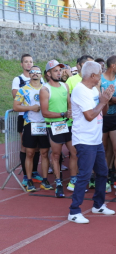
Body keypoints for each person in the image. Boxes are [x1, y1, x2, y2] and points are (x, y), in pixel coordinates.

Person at [68, 61, 116, 224]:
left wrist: (106, 99)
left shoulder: (94, 89)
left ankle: (99, 205)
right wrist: (102, 101)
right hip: (84, 139)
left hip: (95, 139)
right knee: (85, 174)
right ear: (93, 75)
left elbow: (103, 111)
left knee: (102, 172)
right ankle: (74, 211)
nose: (102, 75)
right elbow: (89, 116)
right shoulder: (80, 91)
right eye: (100, 72)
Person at [40, 60, 78, 198]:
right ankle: (59, 183)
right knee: (56, 155)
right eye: (56, 71)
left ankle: (73, 180)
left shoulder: (65, 86)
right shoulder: (44, 90)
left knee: (74, 151)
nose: (59, 73)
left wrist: (69, 112)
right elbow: (45, 113)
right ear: (48, 74)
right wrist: (62, 114)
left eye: (60, 70)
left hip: (67, 124)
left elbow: (69, 104)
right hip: (54, 126)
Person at [13, 65, 52, 192]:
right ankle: (29, 180)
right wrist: (31, 108)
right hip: (30, 124)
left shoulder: (47, 88)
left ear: (42, 75)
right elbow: (16, 107)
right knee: (29, 153)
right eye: (32, 72)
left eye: (37, 72)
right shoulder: (23, 90)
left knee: (45, 153)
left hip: (44, 124)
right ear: (29, 74)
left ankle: (45, 180)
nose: (35, 73)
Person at [12, 54, 43, 186]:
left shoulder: (42, 83)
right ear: (22, 64)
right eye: (26, 62)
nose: (29, 64)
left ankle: (34, 172)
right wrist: (30, 106)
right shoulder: (18, 79)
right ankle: (26, 175)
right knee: (25, 147)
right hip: (24, 118)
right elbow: (15, 96)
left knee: (37, 148)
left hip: (40, 120)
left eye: (31, 62)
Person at [101, 55, 116, 195]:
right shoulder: (100, 79)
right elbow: (100, 100)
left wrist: (110, 99)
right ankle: (103, 180)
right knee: (103, 151)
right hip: (103, 118)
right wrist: (107, 100)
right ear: (113, 66)